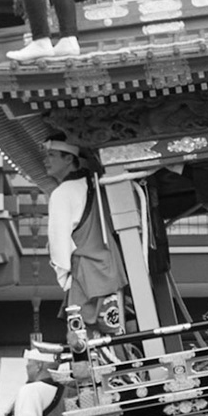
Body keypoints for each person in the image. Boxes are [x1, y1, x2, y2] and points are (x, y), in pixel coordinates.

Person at [44, 137, 128, 344]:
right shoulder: (97, 185)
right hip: (110, 269)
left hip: (84, 274)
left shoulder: (62, 193)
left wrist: (64, 277)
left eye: (51, 155)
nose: (46, 160)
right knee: (114, 332)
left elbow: (59, 241)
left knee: (81, 338)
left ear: (68, 158)